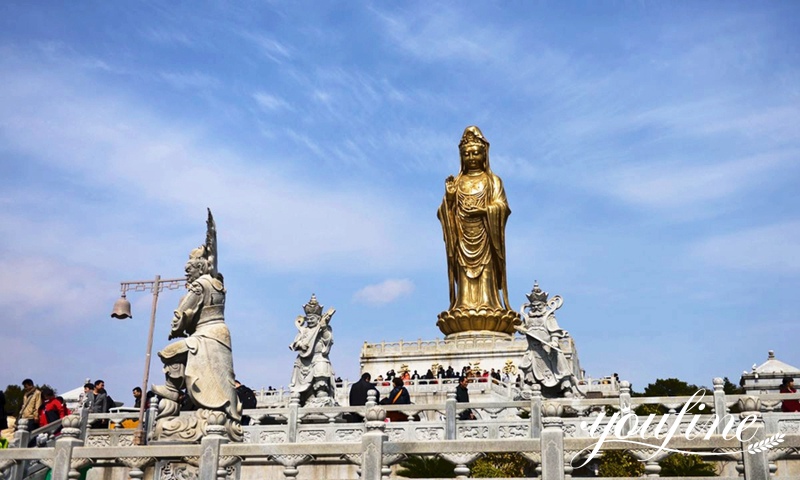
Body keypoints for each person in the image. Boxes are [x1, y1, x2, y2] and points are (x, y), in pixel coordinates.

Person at [152, 210, 241, 441]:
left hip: (205, 335)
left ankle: (172, 393)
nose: (186, 272)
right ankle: (216, 410)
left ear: (199, 267)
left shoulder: (200, 286)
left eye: (189, 268)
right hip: (220, 334)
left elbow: (182, 315)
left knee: (171, 353)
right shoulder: (217, 283)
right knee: (219, 376)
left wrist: (176, 326)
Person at [437, 126, 515, 335]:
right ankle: (463, 305)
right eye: (467, 153)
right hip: (462, 237)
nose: (471, 157)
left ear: (484, 154)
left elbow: (502, 207)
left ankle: (489, 304)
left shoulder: (492, 180)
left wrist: (484, 210)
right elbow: (444, 212)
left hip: (487, 236)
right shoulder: (458, 181)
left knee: (486, 275)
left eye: (475, 152)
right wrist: (451, 197)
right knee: (463, 277)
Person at [289, 294, 337, 407]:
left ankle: (321, 394)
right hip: (304, 359)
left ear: (319, 319)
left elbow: (328, 340)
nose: (310, 320)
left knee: (321, 371)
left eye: (312, 318)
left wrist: (324, 328)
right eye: (308, 318)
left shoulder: (322, 328)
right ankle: (308, 397)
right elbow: (294, 344)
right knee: (303, 386)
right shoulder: (304, 330)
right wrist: (301, 344)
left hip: (318, 356)